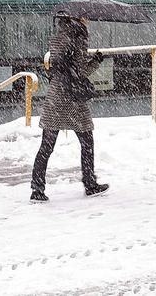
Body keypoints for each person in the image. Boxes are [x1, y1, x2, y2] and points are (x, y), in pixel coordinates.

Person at [30, 15, 108, 202]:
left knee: (46, 146)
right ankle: (89, 183)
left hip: (56, 95)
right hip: (73, 99)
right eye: (86, 16)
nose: (88, 19)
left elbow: (60, 65)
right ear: (79, 17)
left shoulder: (58, 36)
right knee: (87, 141)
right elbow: (80, 72)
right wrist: (96, 60)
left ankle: (37, 188)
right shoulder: (79, 36)